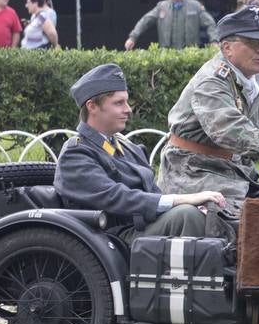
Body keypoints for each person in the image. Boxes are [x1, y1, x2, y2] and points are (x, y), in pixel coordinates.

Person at [159, 4, 259, 208]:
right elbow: (228, 127)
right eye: (251, 42)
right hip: (193, 172)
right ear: (227, 47)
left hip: (232, 171)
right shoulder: (211, 81)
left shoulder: (254, 81)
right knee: (247, 219)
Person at [55, 64, 226, 239]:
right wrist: (181, 200)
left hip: (139, 230)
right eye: (118, 103)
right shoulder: (76, 154)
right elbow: (116, 196)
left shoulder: (127, 147)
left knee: (208, 214)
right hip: (109, 238)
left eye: (126, 102)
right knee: (187, 216)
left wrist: (188, 203)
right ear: (92, 107)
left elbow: (151, 191)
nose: (128, 109)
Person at [124, 0, 217, 50]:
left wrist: (214, 41)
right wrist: (133, 37)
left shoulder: (195, 6)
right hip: (167, 54)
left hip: (190, 53)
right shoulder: (161, 6)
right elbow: (145, 21)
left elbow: (210, 23)